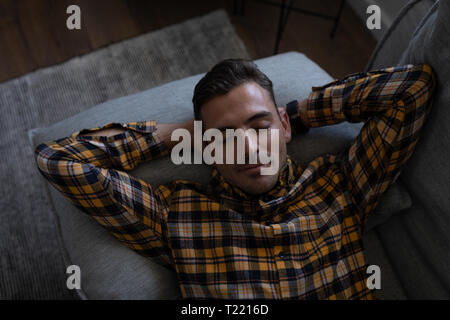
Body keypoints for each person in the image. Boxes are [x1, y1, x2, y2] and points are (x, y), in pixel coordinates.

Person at [35, 59, 435, 299]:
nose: (247, 148)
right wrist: (182, 134)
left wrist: (299, 115)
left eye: (259, 127)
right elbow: (59, 161)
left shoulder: (341, 183)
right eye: (226, 136)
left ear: (282, 127)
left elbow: (413, 89)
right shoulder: (177, 215)